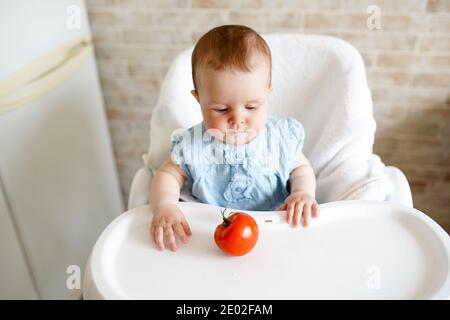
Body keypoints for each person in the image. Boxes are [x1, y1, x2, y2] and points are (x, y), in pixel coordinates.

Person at [150, 25, 319, 251]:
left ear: (268, 93)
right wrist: (165, 205)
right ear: (199, 99)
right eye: (221, 109)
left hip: (277, 229)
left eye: (251, 106)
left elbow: (300, 169)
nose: (238, 119)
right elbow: (169, 174)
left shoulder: (280, 138)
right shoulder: (193, 144)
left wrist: (302, 193)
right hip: (211, 235)